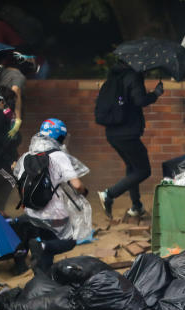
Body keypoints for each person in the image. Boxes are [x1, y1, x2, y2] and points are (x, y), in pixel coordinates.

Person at [12, 118, 92, 274]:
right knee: (69, 242)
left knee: (44, 245)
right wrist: (84, 191)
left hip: (32, 213)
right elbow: (77, 185)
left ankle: (41, 277)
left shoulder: (27, 156)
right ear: (60, 137)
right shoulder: (59, 156)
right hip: (55, 215)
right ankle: (43, 247)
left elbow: (19, 184)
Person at [97, 62, 163, 220]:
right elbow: (139, 101)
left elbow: (125, 101)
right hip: (127, 134)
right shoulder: (133, 77)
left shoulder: (114, 78)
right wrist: (156, 93)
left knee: (132, 167)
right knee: (143, 170)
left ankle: (136, 206)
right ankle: (109, 194)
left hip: (113, 132)